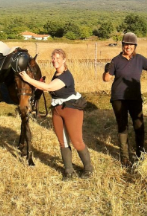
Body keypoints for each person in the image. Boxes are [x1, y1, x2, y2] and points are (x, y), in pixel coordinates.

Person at [19, 49, 93, 180]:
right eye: (53, 58)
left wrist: (27, 79)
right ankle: (68, 171)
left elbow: (48, 88)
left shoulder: (66, 76)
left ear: (64, 60)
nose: (55, 61)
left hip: (71, 110)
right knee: (62, 141)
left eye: (58, 58)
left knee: (77, 141)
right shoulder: (57, 74)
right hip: (57, 110)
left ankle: (88, 169)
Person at [103, 32, 147, 167]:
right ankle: (125, 157)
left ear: (135, 46)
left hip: (134, 97)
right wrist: (106, 70)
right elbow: (106, 78)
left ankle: (140, 153)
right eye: (126, 44)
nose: (128, 47)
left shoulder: (139, 59)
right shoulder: (116, 60)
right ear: (122, 45)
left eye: (131, 45)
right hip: (118, 97)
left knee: (139, 125)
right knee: (122, 126)